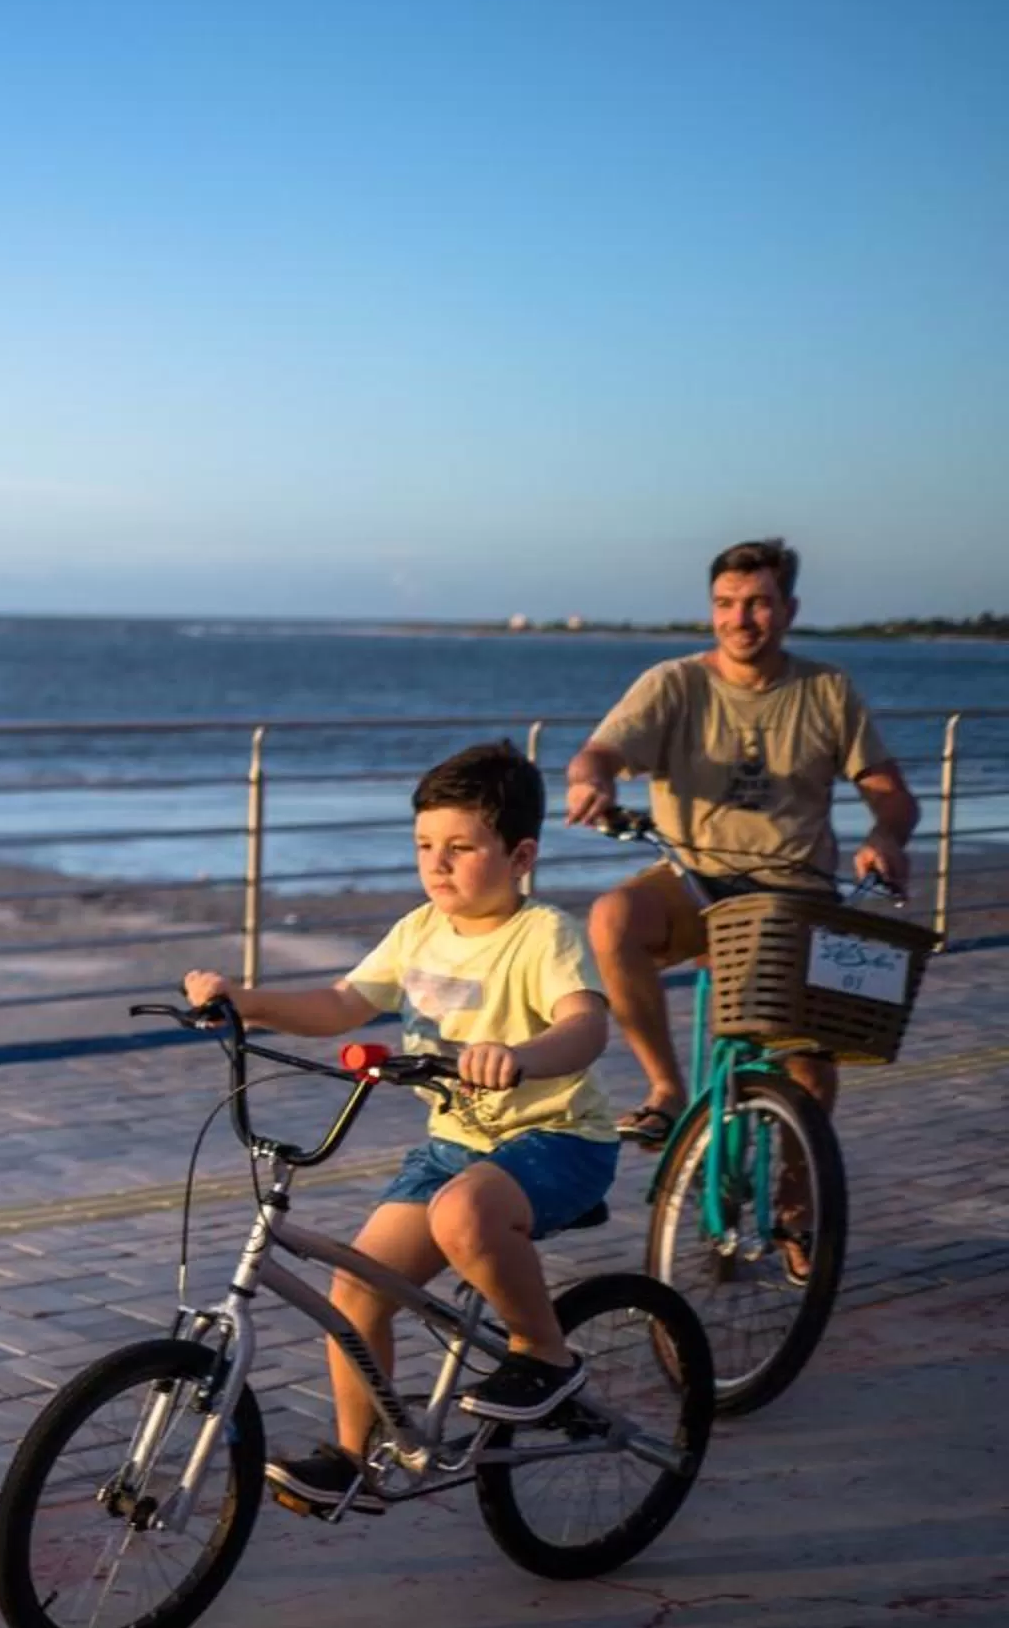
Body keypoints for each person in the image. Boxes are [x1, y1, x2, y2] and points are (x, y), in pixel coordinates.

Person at [183, 742, 615, 1515]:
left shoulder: (544, 933)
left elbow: (586, 1027)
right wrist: (245, 1001)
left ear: (520, 856)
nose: (437, 865)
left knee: (463, 1214)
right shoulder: (419, 929)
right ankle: (355, 1457)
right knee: (356, 1286)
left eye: (460, 848)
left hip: (558, 1140)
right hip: (457, 1146)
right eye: (424, 847)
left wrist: (518, 1055)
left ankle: (544, 1354)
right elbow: (344, 1004)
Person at [562, 538, 919, 1145]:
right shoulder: (673, 684)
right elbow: (600, 753)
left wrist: (886, 836)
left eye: (757, 603)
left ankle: (801, 1199)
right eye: (725, 603)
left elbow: (892, 793)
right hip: (697, 882)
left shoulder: (828, 689)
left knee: (809, 1067)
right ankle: (667, 1092)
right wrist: (589, 781)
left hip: (795, 892)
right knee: (612, 918)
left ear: (788, 610)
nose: (739, 618)